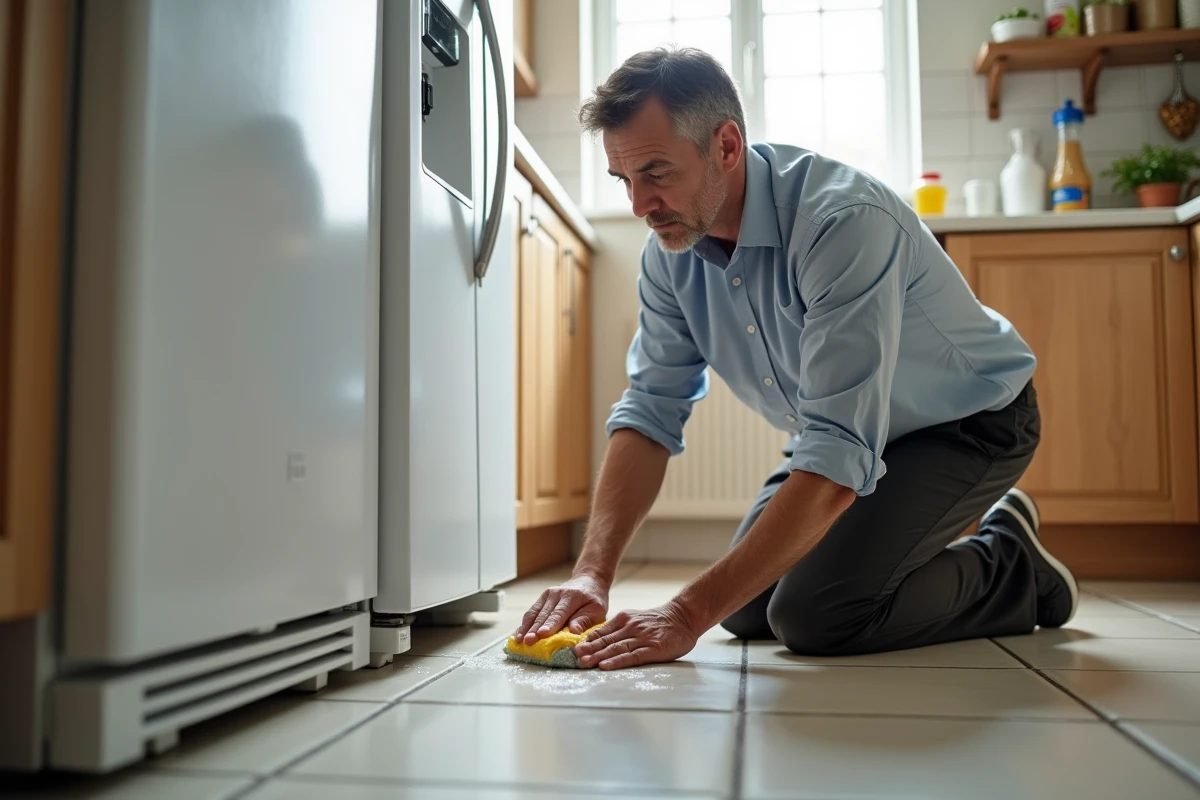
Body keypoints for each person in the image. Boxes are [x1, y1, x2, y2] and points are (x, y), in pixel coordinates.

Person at [514, 47, 1077, 671]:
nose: (640, 206)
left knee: (815, 614)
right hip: (849, 436)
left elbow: (836, 453)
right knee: (746, 609)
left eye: (657, 172)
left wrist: (682, 615)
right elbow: (650, 410)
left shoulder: (841, 223)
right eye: (625, 180)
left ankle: (1012, 563)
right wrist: (592, 575)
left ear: (726, 147)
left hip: (968, 424)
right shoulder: (670, 255)